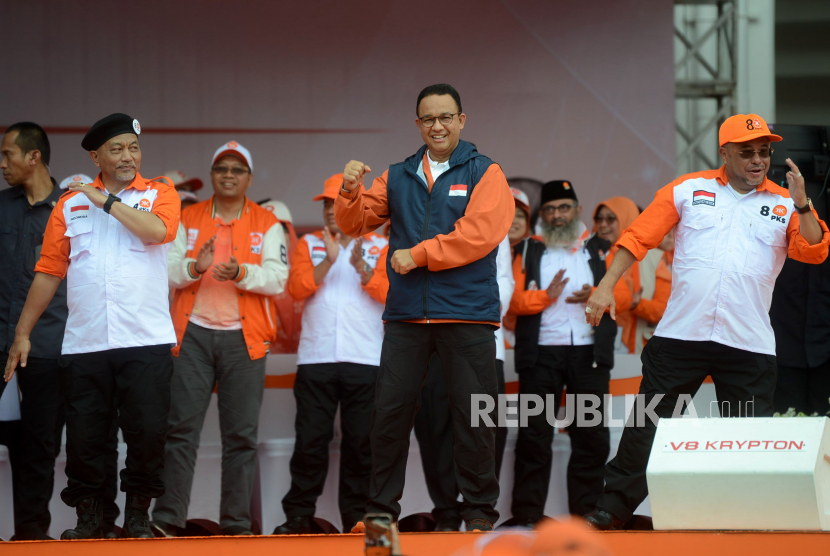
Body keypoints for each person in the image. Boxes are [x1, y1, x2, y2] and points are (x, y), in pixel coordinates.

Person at [582, 114, 830, 530]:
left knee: (747, 438)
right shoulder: (686, 189)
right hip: (681, 335)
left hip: (747, 342)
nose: (758, 160)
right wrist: (606, 285)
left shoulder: (786, 202)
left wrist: (803, 202)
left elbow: (814, 250)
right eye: (747, 152)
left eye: (764, 152)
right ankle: (614, 508)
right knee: (647, 425)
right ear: (725, 153)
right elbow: (638, 237)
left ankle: (745, 516)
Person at [336, 83, 514, 532]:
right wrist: (350, 189)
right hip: (407, 316)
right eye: (428, 119)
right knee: (389, 414)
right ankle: (380, 512)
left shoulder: (485, 171)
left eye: (445, 117)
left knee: (474, 418)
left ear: (461, 120)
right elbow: (354, 222)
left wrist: (417, 254)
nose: (437, 126)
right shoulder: (397, 174)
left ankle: (478, 515)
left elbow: (480, 234)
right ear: (418, 123)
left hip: (468, 314)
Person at [4, 113, 181, 539]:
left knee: (147, 434)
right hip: (85, 344)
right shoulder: (68, 204)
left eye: (133, 147)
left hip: (146, 340)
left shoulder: (159, 192)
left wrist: (106, 202)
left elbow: (158, 231)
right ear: (95, 155)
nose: (127, 156)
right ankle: (90, 519)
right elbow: (48, 271)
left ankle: (138, 517)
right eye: (117, 149)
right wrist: (22, 333)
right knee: (86, 440)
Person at [152, 141, 288, 537]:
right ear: (212, 175)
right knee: (180, 432)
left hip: (244, 341)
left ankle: (237, 525)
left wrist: (242, 273)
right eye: (222, 168)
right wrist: (197, 265)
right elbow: (168, 272)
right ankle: (168, 519)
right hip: (191, 336)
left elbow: (278, 279)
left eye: (237, 169)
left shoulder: (268, 222)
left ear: (248, 178)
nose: (228, 175)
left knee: (241, 437)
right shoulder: (188, 216)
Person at [274, 174, 388, 534]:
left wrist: (360, 267)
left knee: (361, 445)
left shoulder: (380, 245)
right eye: (325, 204)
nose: (328, 211)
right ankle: (298, 517)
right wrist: (329, 261)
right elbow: (295, 289)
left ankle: (358, 520)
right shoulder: (309, 243)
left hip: (366, 360)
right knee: (310, 441)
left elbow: (391, 296)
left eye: (335, 204)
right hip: (316, 359)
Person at [508, 180, 616, 525]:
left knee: (591, 436)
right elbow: (510, 301)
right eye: (551, 209)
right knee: (534, 435)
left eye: (564, 207)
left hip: (588, 355)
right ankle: (527, 516)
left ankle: (587, 514)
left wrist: (598, 293)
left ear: (578, 211)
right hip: (541, 355)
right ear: (543, 215)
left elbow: (625, 296)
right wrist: (546, 296)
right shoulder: (527, 250)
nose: (557, 215)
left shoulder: (600, 249)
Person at [412, 234, 513, 531]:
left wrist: (477, 316)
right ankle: (445, 511)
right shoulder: (426, 211)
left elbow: (504, 278)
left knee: (485, 427)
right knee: (434, 425)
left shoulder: (496, 219)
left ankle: (479, 510)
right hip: (430, 334)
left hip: (481, 334)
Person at [0, 122, 67, 540]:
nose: (3, 163)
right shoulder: (0, 207)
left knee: (39, 446)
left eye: (8, 154)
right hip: (0, 345)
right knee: (13, 441)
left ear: (34, 157)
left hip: (48, 347)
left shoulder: (71, 210)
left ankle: (30, 538)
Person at [592, 198, 641, 354]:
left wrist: (639, 305)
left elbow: (665, 305)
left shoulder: (651, 259)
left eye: (611, 219)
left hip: (639, 342)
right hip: (597, 341)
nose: (603, 224)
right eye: (599, 219)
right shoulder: (588, 254)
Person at [259, 199, 304, 355]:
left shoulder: (310, 270)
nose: (274, 237)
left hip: (304, 358)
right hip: (260, 356)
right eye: (266, 230)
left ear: (291, 233)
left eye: (281, 229)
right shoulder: (243, 275)